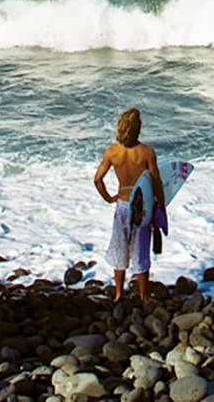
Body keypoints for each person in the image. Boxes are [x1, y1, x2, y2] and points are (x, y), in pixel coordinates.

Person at [93, 106, 166, 307]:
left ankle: (118, 294)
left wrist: (109, 198)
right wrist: (160, 205)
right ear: (138, 128)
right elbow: (156, 181)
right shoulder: (146, 152)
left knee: (119, 248)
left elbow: (97, 179)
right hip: (142, 208)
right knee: (141, 251)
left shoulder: (112, 152)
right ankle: (143, 296)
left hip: (123, 206)